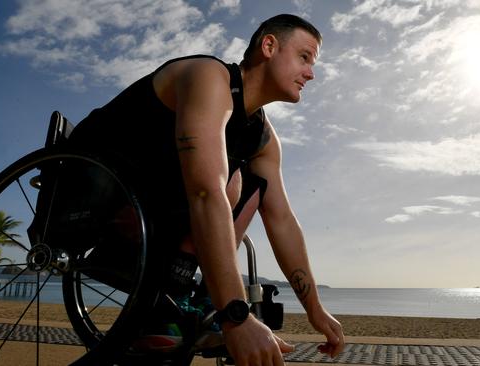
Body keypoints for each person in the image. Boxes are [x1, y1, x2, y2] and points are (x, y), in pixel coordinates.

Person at [69, 13, 344, 365]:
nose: (311, 73)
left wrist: (315, 309)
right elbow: (204, 192)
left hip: (154, 207)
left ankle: (182, 300)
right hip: (94, 190)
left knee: (253, 185)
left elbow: (282, 220)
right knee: (229, 180)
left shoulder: (263, 137)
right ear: (269, 46)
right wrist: (236, 314)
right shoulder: (208, 77)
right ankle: (173, 302)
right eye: (305, 57)